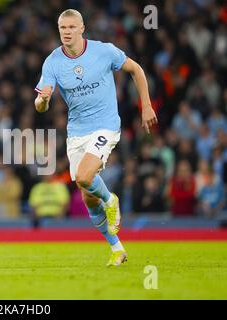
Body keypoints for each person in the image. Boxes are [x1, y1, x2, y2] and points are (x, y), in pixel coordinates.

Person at [34, 9, 157, 267]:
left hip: (105, 125)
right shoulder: (53, 61)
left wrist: (145, 105)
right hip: (76, 132)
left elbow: (136, 70)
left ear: (81, 28)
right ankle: (117, 248)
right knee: (88, 195)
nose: (66, 32)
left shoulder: (104, 51)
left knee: (84, 177)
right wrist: (43, 99)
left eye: (70, 27)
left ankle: (111, 199)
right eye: (62, 28)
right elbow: (39, 106)